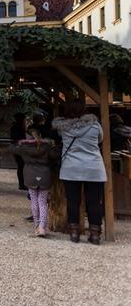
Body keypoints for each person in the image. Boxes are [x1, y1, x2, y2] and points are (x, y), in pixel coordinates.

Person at [52, 100, 107, 245]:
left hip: (71, 167)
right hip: (94, 167)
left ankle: (74, 233)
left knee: (73, 201)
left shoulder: (63, 128)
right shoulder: (95, 126)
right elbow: (100, 140)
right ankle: (95, 234)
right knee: (94, 202)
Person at [11, 128, 59, 237]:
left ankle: (36, 225)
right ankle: (42, 227)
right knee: (42, 202)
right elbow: (56, 155)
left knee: (33, 201)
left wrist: (21, 143)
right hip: (44, 175)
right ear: (40, 135)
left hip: (30, 175)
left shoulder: (24, 147)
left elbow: (11, 148)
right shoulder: (47, 147)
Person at [10, 112, 28, 191]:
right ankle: (22, 184)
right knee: (21, 166)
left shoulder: (16, 127)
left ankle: (22, 184)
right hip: (19, 148)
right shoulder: (18, 128)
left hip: (18, 148)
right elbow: (17, 138)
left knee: (21, 166)